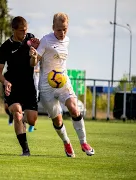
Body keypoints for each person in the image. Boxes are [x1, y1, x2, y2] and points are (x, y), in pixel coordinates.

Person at [29, 12, 95, 157]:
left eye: (65, 29)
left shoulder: (67, 41)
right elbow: (34, 63)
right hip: (46, 87)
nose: (62, 32)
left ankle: (83, 142)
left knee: (74, 109)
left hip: (64, 82)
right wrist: (33, 56)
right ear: (53, 27)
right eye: (59, 29)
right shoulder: (46, 40)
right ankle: (66, 142)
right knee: (58, 120)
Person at [0, 16, 40, 156]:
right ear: (13, 30)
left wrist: (34, 56)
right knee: (17, 112)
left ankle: (23, 121)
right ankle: (25, 150)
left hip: (28, 85)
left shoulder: (30, 39)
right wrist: (5, 82)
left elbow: (34, 64)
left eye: (26, 30)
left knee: (32, 120)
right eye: (21, 31)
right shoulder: (5, 47)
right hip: (12, 85)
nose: (24, 33)